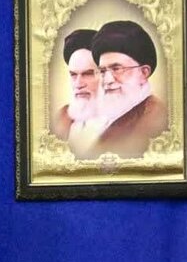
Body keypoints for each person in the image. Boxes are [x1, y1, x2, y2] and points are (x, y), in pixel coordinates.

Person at [69, 20, 168, 160]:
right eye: (103, 71)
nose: (108, 80)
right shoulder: (109, 113)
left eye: (116, 69)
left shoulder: (154, 119)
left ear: (144, 73)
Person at [51, 28, 100, 142]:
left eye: (87, 74)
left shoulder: (127, 124)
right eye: (73, 75)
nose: (78, 84)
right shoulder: (62, 116)